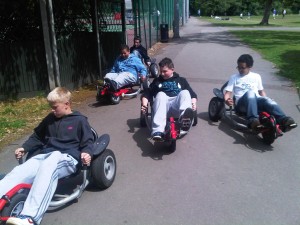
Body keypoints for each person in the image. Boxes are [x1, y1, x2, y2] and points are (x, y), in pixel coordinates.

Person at [0, 87, 94, 225]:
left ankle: (29, 217)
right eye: (51, 107)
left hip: (67, 158)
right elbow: (37, 136)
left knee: (50, 162)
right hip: (46, 155)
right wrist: (24, 148)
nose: (52, 110)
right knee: (21, 170)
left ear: (67, 104)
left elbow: (88, 141)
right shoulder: (50, 119)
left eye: (55, 107)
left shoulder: (80, 120)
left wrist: (87, 152)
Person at [224, 54, 297, 132]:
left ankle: (284, 120)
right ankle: (253, 121)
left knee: (268, 100)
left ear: (250, 67)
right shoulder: (234, 77)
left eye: (243, 68)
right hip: (242, 105)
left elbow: (261, 91)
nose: (240, 70)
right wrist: (227, 100)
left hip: (256, 101)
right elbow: (227, 93)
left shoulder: (256, 76)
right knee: (250, 93)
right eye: (238, 67)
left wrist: (266, 99)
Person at [141, 57, 197, 141]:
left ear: (172, 70)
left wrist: (193, 104)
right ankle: (158, 131)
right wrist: (144, 105)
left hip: (176, 106)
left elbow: (192, 94)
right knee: (161, 94)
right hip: (162, 107)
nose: (162, 74)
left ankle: (185, 119)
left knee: (185, 92)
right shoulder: (157, 81)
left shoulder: (181, 80)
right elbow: (147, 93)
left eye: (165, 71)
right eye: (161, 71)